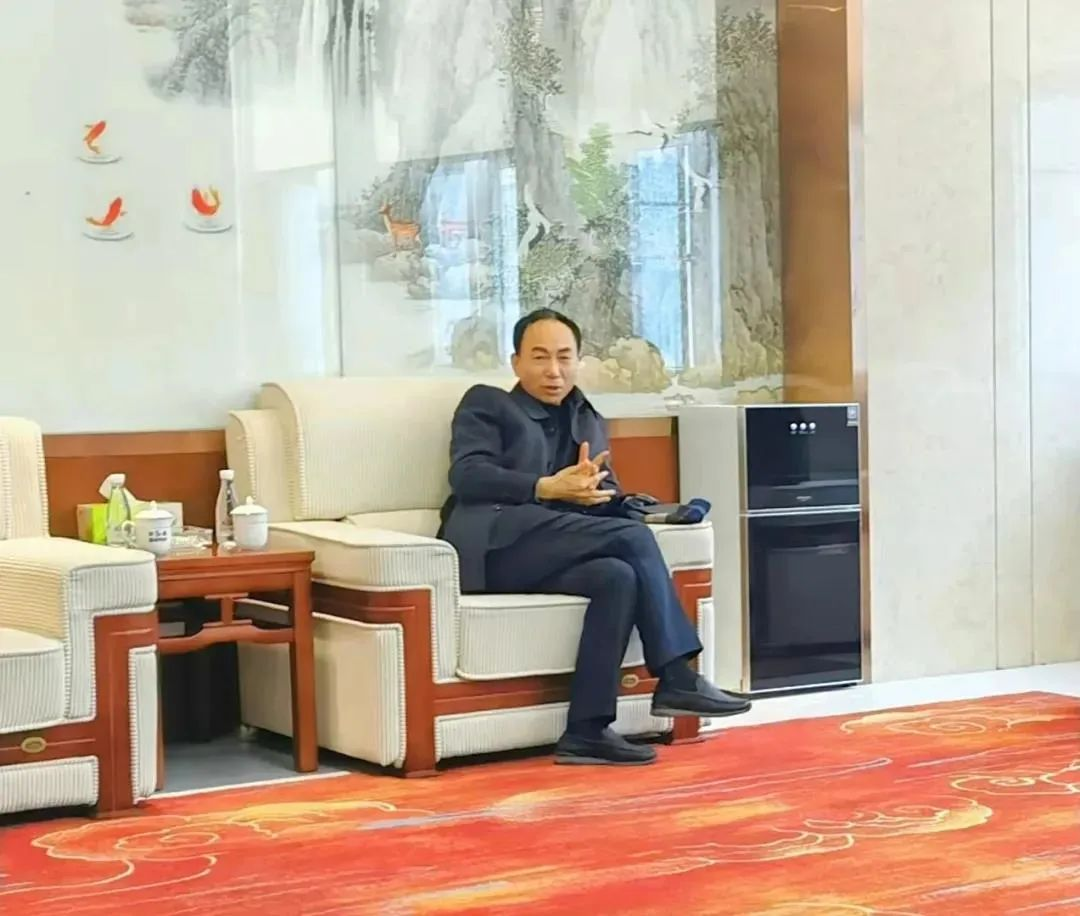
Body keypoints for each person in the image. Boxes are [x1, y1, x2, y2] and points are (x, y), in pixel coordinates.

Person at [439, 308, 751, 766]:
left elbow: (604, 492)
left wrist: (636, 506)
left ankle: (586, 730)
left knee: (617, 576)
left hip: (555, 546)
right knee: (630, 541)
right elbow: (467, 475)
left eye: (565, 357)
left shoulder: (586, 416)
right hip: (494, 547)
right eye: (540, 357)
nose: (554, 370)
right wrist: (544, 487)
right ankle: (676, 676)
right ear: (516, 362)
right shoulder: (487, 404)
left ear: (578, 361)